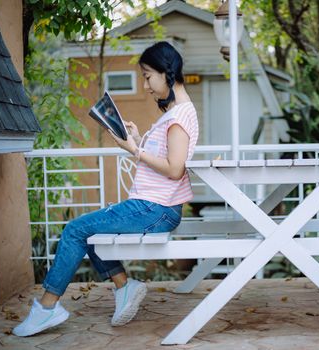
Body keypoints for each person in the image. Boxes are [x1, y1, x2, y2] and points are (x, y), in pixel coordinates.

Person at [14, 41, 199, 337]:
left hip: (156, 208)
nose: (146, 85)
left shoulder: (178, 117)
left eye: (148, 76)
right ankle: (124, 287)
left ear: (167, 72)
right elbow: (166, 160)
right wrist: (137, 141)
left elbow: (175, 169)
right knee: (88, 231)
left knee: (76, 230)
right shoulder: (176, 113)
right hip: (153, 205)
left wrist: (134, 151)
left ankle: (47, 309)